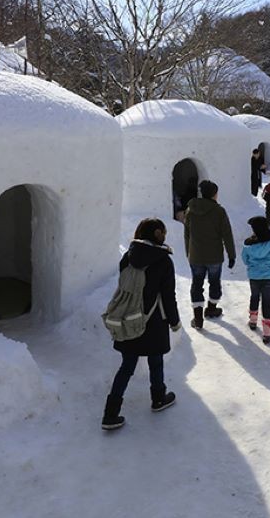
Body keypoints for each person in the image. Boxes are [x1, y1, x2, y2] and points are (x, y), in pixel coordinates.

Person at [101, 218, 181, 431]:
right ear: (156, 233)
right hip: (153, 320)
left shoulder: (127, 257)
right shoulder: (163, 260)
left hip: (129, 318)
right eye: (163, 232)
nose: (165, 235)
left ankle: (110, 414)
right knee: (156, 361)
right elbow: (167, 296)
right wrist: (174, 321)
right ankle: (158, 398)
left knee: (127, 366)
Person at [183, 179, 236, 327]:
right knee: (214, 282)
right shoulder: (219, 211)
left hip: (196, 255)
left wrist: (188, 251)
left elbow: (187, 234)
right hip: (214, 256)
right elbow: (227, 234)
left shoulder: (190, 209)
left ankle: (198, 318)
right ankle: (211, 309)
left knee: (197, 284)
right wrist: (231, 255)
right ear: (214, 194)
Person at [242, 216, 270, 344]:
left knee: (254, 296)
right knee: (267, 301)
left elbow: (245, 260)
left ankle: (253, 320)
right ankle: (267, 332)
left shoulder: (248, 243)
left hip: (254, 276)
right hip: (268, 276)